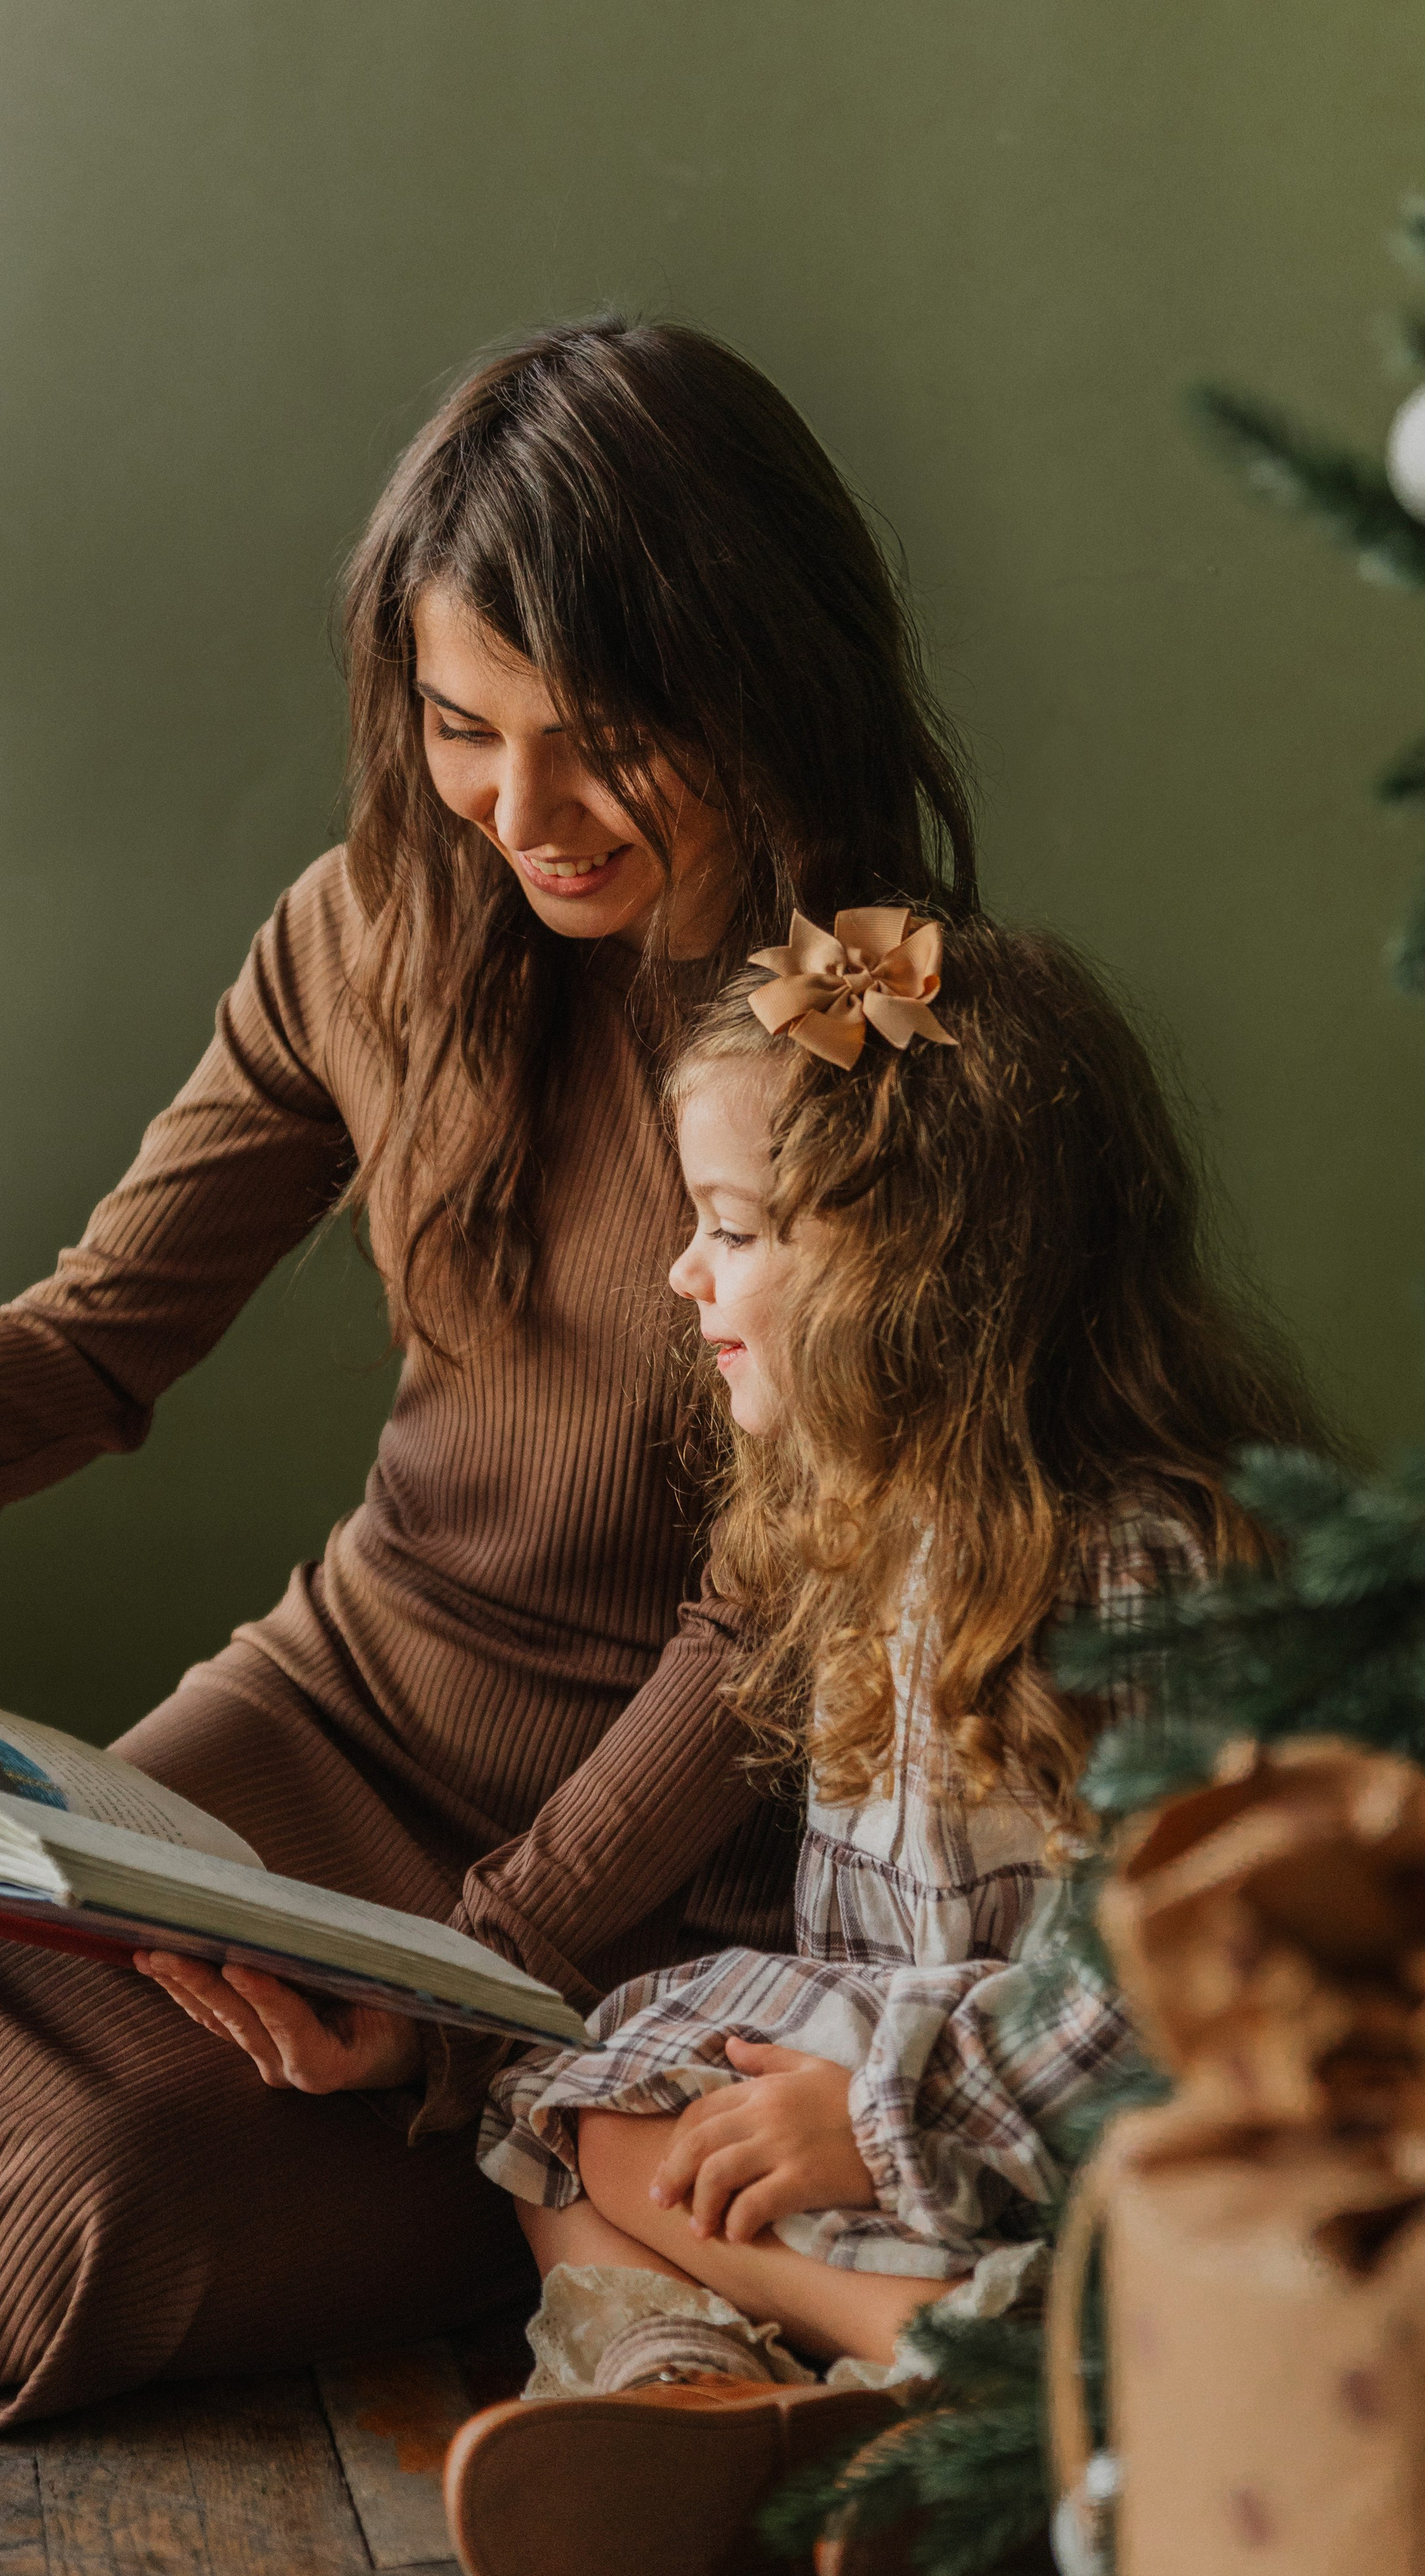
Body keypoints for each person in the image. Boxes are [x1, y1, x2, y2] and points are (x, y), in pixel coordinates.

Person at [0, 318, 979, 2431]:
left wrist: (463, 1994)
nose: (527, 811)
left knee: (96, 2198)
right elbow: (94, 1333)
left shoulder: (887, 1030)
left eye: (599, 738)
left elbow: (777, 1593)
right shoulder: (365, 934)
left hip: (651, 1853)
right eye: (460, 726)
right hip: (335, 1708)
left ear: (758, 689)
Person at [428, 914, 1331, 2575]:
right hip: (880, 2093)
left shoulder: (1134, 1561)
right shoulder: (865, 1531)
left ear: (913, 1265)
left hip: (1054, 2126)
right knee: (569, 2092)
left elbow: (1162, 1979)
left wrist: (882, 2115)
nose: (684, 1275)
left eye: (733, 1230)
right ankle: (694, 2380)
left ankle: (945, 2370)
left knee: (645, 2122)